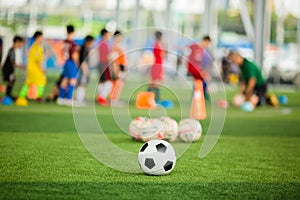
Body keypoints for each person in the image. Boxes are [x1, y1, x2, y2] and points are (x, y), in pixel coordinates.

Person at [16, 31, 46, 106]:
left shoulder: (35, 46)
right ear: (38, 37)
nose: (43, 38)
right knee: (41, 81)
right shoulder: (36, 47)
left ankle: (22, 96)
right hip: (35, 69)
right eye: (42, 37)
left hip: (31, 68)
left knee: (29, 83)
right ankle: (38, 97)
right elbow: (37, 60)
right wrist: (41, 69)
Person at [57, 25, 79, 106]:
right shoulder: (72, 44)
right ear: (73, 32)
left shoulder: (65, 42)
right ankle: (69, 98)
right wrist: (77, 63)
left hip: (66, 62)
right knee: (72, 80)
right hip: (71, 62)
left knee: (65, 79)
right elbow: (74, 55)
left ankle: (61, 98)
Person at [1, 36, 26, 100]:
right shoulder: (12, 51)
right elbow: (13, 62)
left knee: (11, 81)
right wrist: (21, 66)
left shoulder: (12, 50)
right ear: (17, 42)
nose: (21, 46)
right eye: (21, 44)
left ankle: (8, 95)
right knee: (10, 81)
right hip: (8, 70)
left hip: (9, 70)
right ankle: (7, 96)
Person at [110, 30, 127, 106]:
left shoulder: (119, 46)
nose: (121, 38)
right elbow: (114, 60)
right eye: (120, 36)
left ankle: (115, 99)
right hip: (118, 67)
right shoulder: (114, 47)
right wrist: (116, 69)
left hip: (121, 66)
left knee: (120, 83)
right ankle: (113, 99)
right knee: (117, 83)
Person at [148, 31, 165, 103]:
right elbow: (161, 54)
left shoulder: (158, 44)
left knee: (154, 82)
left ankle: (149, 97)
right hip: (157, 64)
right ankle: (156, 99)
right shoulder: (157, 44)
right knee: (156, 82)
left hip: (158, 64)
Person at [76, 35, 94, 104]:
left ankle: (81, 98)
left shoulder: (85, 48)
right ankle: (79, 99)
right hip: (83, 69)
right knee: (82, 84)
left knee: (83, 84)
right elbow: (83, 61)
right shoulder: (84, 48)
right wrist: (85, 70)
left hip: (83, 68)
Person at [97, 28, 112, 106]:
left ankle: (100, 98)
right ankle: (102, 98)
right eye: (108, 34)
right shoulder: (104, 44)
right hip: (104, 64)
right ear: (104, 35)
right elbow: (107, 56)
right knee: (109, 83)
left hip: (100, 64)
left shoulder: (100, 43)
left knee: (102, 82)